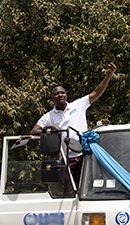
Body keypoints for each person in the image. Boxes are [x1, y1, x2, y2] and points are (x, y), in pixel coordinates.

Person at [31, 63, 117, 193]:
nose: (60, 95)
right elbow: (34, 131)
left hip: (85, 155)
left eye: (62, 92)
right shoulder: (49, 116)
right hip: (66, 159)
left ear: (66, 95)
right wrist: (55, 133)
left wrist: (109, 74)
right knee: (70, 191)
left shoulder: (78, 105)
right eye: (56, 94)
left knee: (88, 189)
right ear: (52, 98)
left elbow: (96, 92)